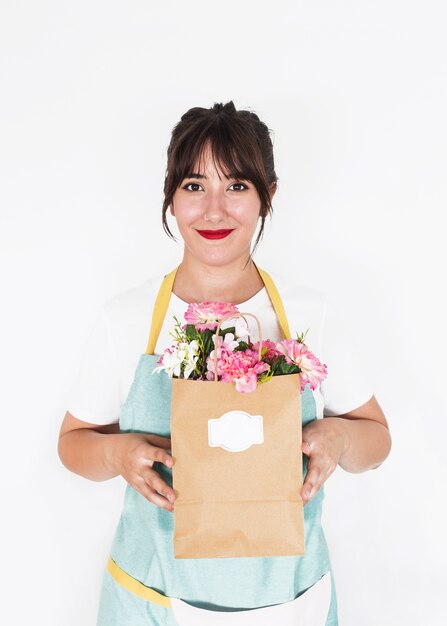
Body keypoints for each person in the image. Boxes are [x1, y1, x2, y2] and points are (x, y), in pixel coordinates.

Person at [58, 101, 392, 625]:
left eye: (236, 186)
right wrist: (119, 455)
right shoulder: (125, 318)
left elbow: (377, 441)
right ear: (171, 198)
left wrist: (341, 439)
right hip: (151, 601)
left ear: (268, 196)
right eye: (194, 186)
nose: (214, 210)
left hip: (290, 602)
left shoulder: (309, 315)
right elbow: (73, 443)